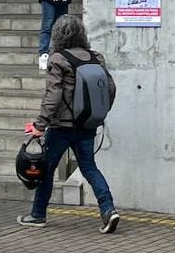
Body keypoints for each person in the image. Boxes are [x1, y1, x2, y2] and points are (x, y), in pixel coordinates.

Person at [17, 14, 119, 233]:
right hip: (87, 125)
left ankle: (37, 214)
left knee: (46, 169)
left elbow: (53, 95)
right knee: (89, 168)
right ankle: (108, 209)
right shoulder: (95, 58)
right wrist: (99, 114)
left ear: (57, 35)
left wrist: (40, 125)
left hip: (61, 127)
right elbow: (110, 89)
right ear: (81, 33)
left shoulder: (58, 59)